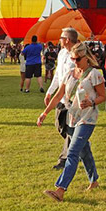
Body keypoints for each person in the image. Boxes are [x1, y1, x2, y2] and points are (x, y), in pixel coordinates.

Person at [38, 42, 106, 202]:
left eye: (78, 59)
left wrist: (92, 102)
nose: (75, 62)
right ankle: (94, 181)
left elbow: (103, 95)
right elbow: (59, 95)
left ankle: (60, 190)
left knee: (73, 152)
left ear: (86, 57)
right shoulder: (69, 73)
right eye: (73, 59)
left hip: (87, 118)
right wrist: (45, 113)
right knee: (84, 151)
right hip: (72, 117)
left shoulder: (95, 74)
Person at [45, 27, 79, 170]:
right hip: (61, 97)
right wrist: (49, 92)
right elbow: (58, 74)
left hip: (73, 98)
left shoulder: (78, 55)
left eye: (61, 37)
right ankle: (80, 144)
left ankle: (64, 159)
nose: (59, 40)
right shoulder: (61, 53)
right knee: (60, 125)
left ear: (67, 40)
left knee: (70, 129)